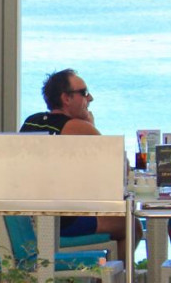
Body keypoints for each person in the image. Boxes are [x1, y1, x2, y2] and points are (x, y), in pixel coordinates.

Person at [19, 68, 127, 244]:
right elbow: (120, 168)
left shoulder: (32, 122)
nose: (90, 98)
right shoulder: (76, 127)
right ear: (66, 98)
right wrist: (91, 125)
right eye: (84, 93)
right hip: (61, 223)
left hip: (27, 221)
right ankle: (111, 263)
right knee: (130, 226)